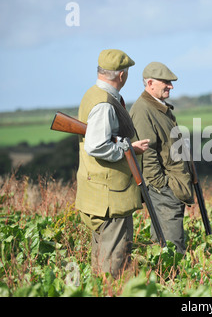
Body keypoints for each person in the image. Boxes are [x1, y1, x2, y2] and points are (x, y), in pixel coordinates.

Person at [75, 49, 150, 278]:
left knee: (102, 259)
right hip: (110, 196)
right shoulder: (105, 104)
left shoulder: (92, 94)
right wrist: (129, 149)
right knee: (114, 265)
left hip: (99, 192)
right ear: (121, 76)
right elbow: (96, 145)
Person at [130, 62, 194, 254]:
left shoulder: (158, 107)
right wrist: (163, 185)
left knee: (164, 246)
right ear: (150, 83)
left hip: (170, 186)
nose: (171, 86)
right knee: (171, 249)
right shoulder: (143, 110)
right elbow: (147, 152)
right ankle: (168, 280)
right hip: (163, 189)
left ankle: (163, 279)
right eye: (166, 82)